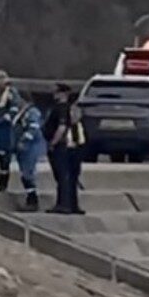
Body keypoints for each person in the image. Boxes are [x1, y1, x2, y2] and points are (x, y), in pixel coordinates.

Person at [43, 83, 85, 215]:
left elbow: (61, 128)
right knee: (72, 176)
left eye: (56, 92)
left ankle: (63, 204)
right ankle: (73, 205)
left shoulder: (60, 109)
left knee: (62, 176)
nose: (54, 94)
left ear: (63, 94)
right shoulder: (73, 109)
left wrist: (52, 143)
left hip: (62, 146)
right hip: (75, 146)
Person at [13, 97, 46, 211]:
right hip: (23, 148)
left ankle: (32, 200)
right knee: (24, 172)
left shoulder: (32, 112)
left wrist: (23, 140)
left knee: (28, 173)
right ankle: (30, 198)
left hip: (30, 147)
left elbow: (33, 128)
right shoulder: (20, 112)